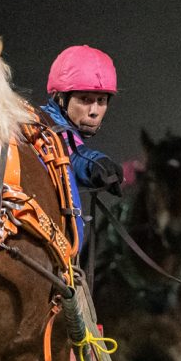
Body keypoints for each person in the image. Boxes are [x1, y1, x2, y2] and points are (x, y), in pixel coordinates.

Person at [40, 45, 125, 251]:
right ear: (61, 98)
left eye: (101, 101)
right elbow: (72, 153)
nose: (94, 111)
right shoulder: (45, 127)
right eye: (85, 100)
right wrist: (97, 164)